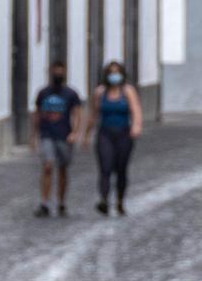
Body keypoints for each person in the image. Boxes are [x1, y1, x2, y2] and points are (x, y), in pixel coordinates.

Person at [85, 58, 144, 216]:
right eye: (111, 73)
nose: (114, 76)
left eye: (116, 72)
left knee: (121, 169)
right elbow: (93, 114)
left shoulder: (128, 91)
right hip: (105, 133)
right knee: (105, 167)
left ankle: (119, 201)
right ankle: (104, 199)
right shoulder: (100, 92)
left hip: (124, 133)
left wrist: (136, 126)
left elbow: (136, 110)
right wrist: (86, 134)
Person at [31, 62, 84, 218]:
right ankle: (45, 203)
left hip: (64, 135)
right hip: (47, 134)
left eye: (61, 71)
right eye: (56, 71)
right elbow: (37, 113)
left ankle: (61, 202)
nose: (58, 74)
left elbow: (78, 113)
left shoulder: (71, 94)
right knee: (48, 166)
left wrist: (75, 132)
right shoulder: (43, 93)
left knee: (62, 169)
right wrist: (34, 135)